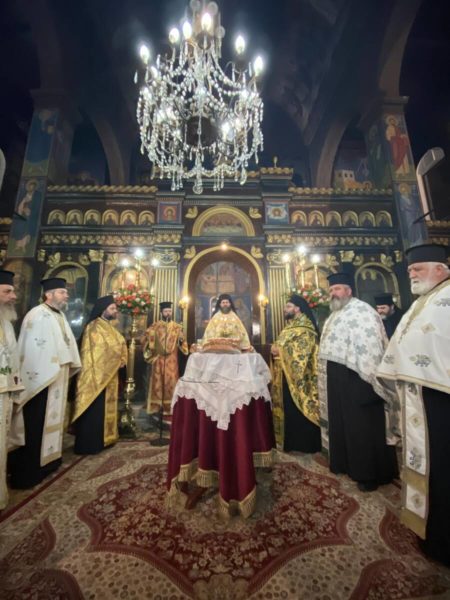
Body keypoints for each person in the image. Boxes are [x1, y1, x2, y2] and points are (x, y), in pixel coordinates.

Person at [377, 243, 450, 566]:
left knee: (443, 464)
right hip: (421, 397)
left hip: (441, 400)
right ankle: (432, 529)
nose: (412, 275)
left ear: (440, 269)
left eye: (417, 269)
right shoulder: (423, 302)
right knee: (431, 464)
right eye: (409, 271)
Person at [318, 272, 399, 492]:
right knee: (343, 422)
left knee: (362, 426)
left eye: (337, 289)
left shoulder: (363, 311)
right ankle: (345, 463)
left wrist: (368, 373)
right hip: (337, 377)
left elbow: (372, 344)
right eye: (331, 290)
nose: (333, 293)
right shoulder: (334, 315)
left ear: (349, 290)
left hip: (359, 378)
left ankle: (369, 473)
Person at [9, 278, 81, 488]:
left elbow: (66, 345)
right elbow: (33, 349)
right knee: (36, 421)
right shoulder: (37, 315)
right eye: (62, 292)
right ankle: (30, 469)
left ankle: (50, 462)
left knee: (51, 420)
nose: (66, 295)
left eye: (65, 292)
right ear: (49, 294)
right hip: (40, 379)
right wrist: (51, 368)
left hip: (56, 377)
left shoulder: (59, 315)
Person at [71, 296, 127, 455]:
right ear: (103, 309)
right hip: (95, 376)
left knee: (103, 409)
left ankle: (104, 439)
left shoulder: (107, 326)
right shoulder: (94, 327)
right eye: (112, 308)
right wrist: (118, 357)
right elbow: (98, 351)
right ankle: (90, 443)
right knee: (95, 409)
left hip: (108, 375)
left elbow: (119, 343)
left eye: (115, 308)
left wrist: (122, 357)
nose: (115, 311)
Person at [270, 294, 321, 453]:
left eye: (288, 307)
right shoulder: (290, 327)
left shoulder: (305, 327)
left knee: (297, 406)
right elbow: (282, 344)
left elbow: (302, 351)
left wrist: (280, 350)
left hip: (299, 376)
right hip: (284, 373)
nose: (285, 310)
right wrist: (275, 348)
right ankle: (289, 442)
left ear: (297, 308)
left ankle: (304, 444)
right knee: (287, 406)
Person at [0, 270, 23, 509]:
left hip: (4, 393)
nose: (14, 297)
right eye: (8, 291)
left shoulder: (6, 323)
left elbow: (12, 357)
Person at [143, 302, 188, 421]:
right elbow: (146, 338)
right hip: (158, 358)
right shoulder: (155, 326)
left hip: (172, 360)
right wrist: (150, 336)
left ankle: (171, 408)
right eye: (166, 311)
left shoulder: (177, 327)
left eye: (169, 311)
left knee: (171, 381)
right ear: (161, 312)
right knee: (158, 382)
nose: (168, 313)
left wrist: (181, 340)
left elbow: (182, 343)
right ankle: (157, 408)